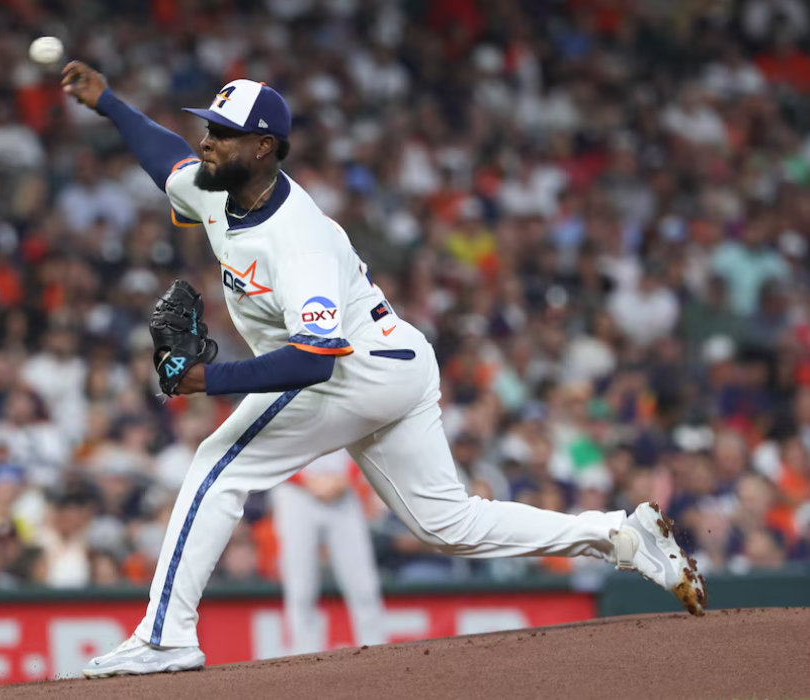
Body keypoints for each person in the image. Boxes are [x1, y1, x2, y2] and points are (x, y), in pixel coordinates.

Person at [61, 63, 706, 678]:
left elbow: (315, 359)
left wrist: (210, 380)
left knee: (216, 464)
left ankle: (165, 636)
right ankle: (621, 537)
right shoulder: (214, 185)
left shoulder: (299, 239)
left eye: (223, 134)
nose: (208, 141)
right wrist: (110, 103)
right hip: (396, 361)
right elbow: (164, 158)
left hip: (354, 366)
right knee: (447, 524)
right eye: (209, 127)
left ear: (263, 148)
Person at [271, 449, 386, 654]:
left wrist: (346, 479)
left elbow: (364, 436)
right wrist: (304, 481)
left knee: (363, 584)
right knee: (300, 588)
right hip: (295, 492)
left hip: (342, 489)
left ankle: (377, 652)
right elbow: (268, 447)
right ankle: (303, 657)